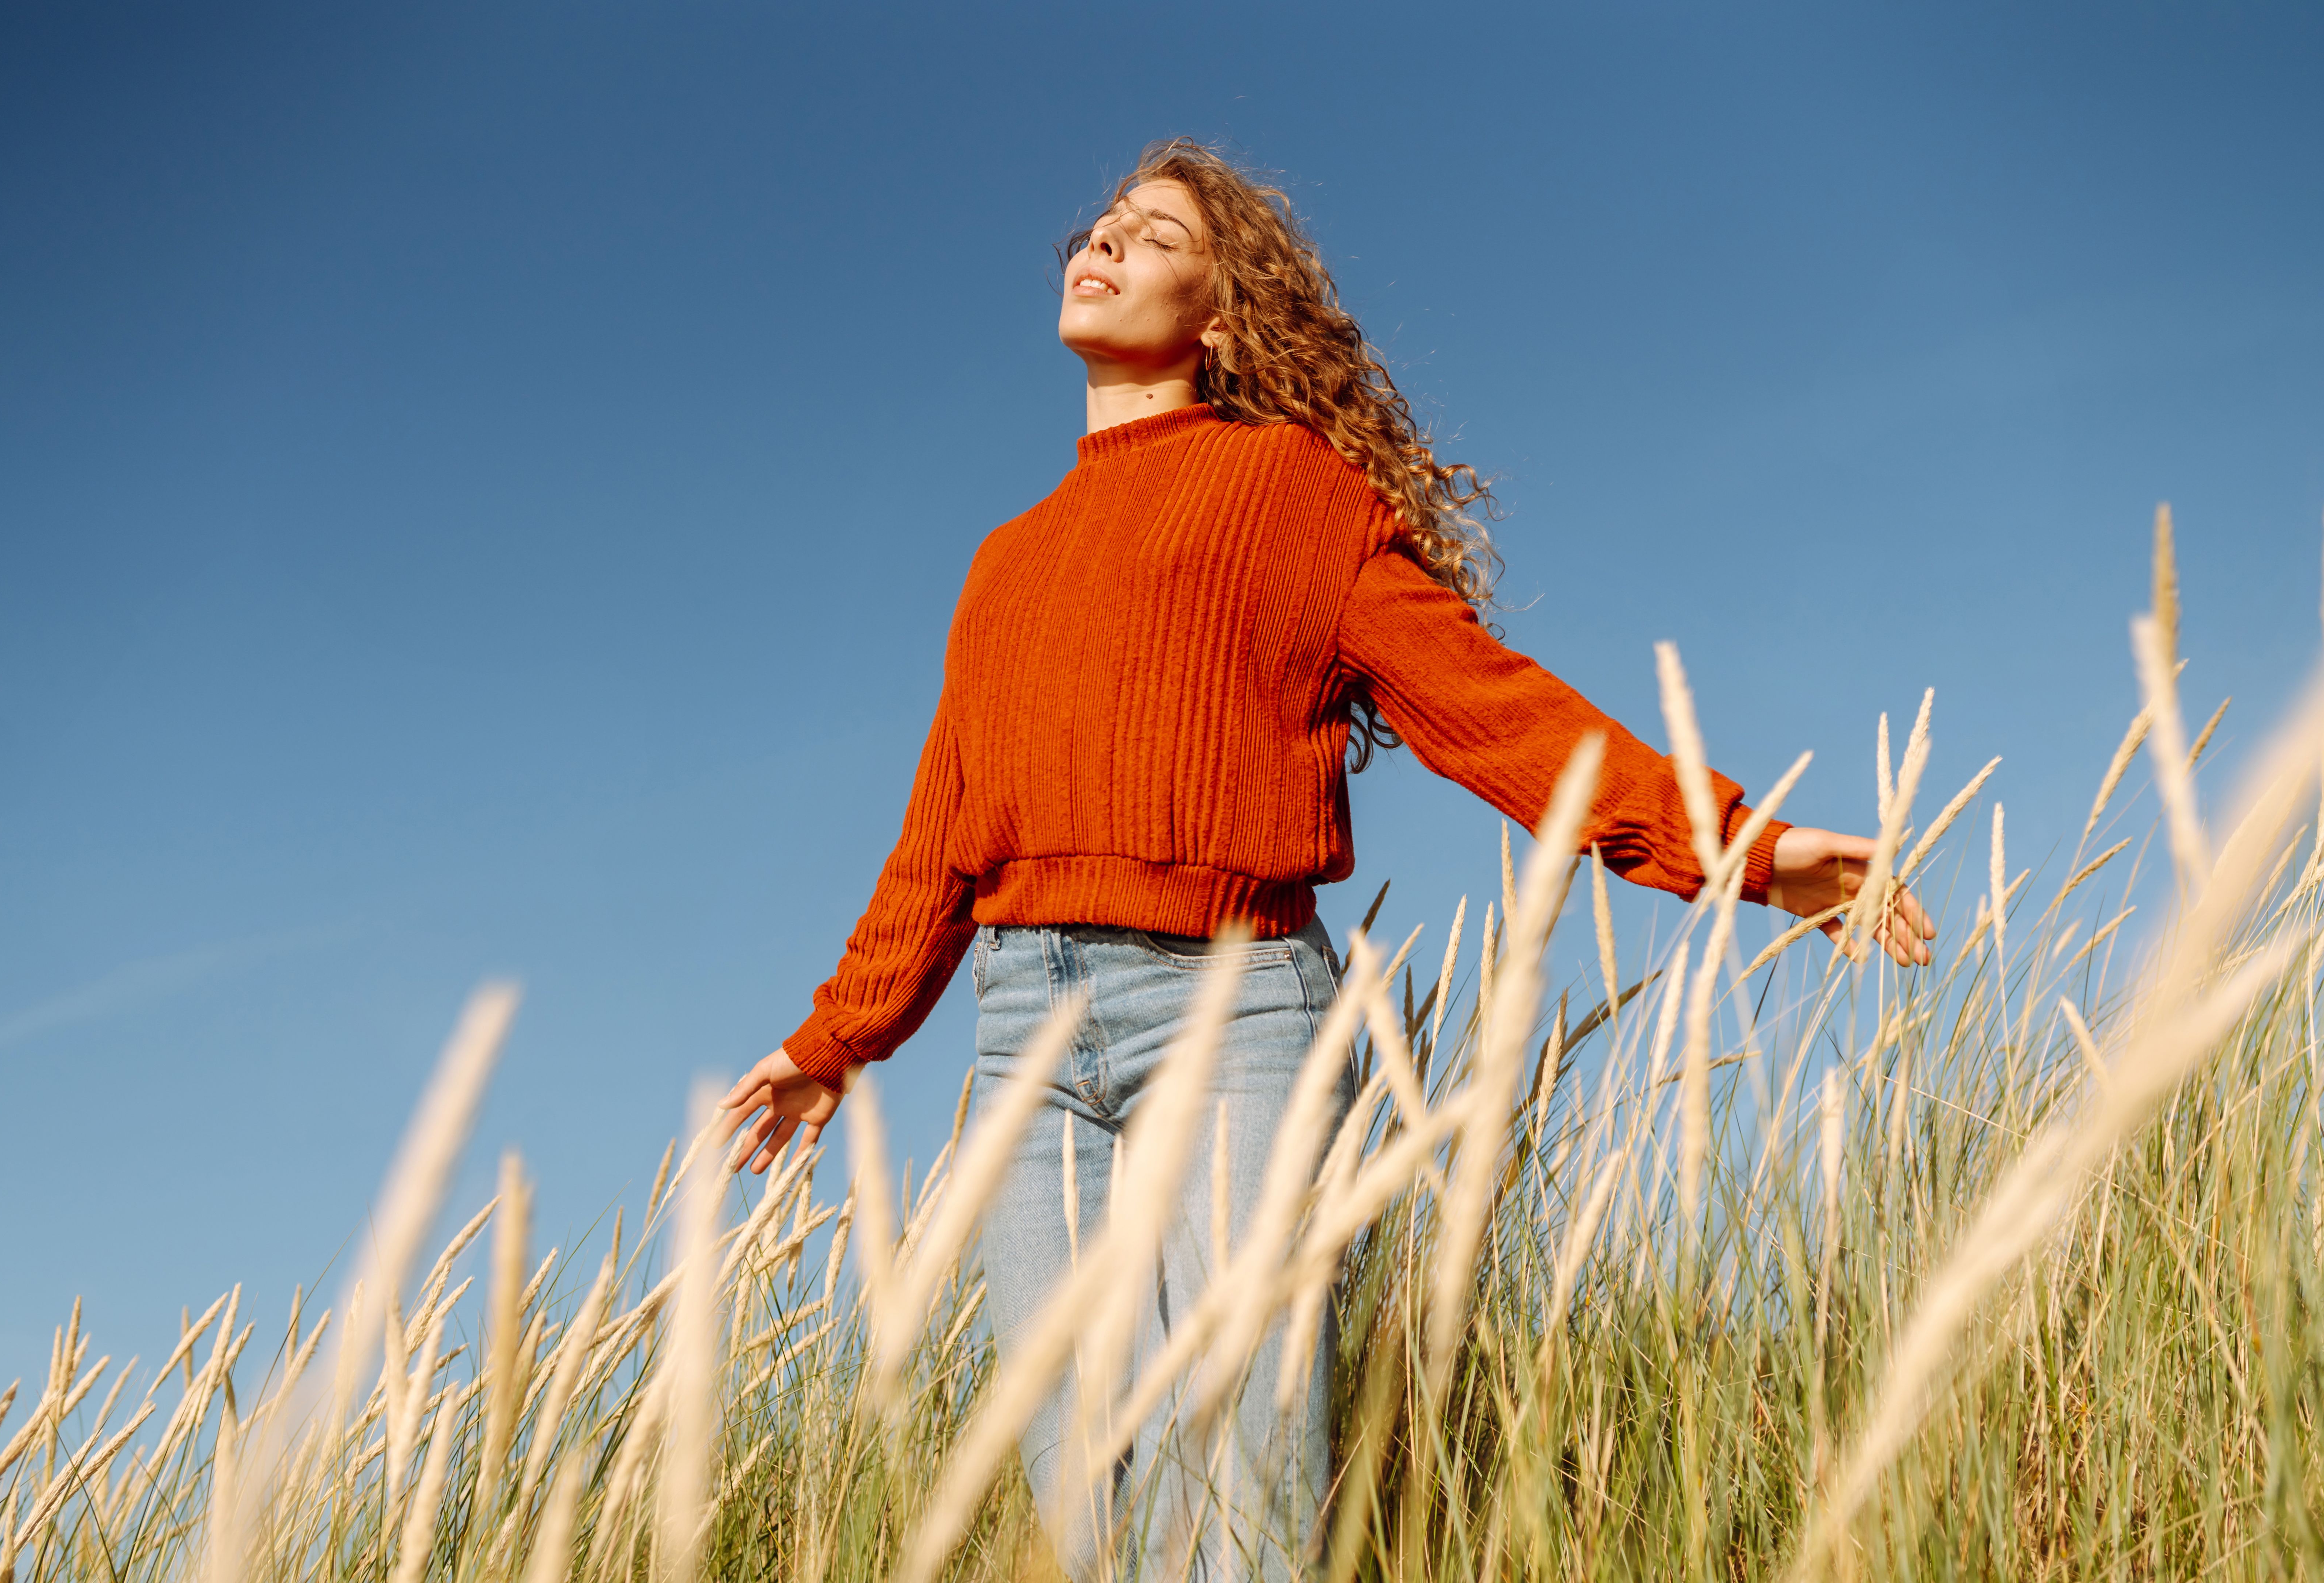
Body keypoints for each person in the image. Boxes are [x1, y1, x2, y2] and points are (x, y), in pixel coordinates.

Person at [717, 139, 1933, 1579]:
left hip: (1229, 1025)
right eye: (1095, 228)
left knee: (1233, 1491)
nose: (1098, 245)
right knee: (1083, 1504)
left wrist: (1740, 845)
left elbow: (1495, 714)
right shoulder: (1006, 559)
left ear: (1224, 311)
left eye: (1151, 233)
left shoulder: (1294, 493)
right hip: (1021, 1048)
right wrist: (835, 1038)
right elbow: (944, 835)